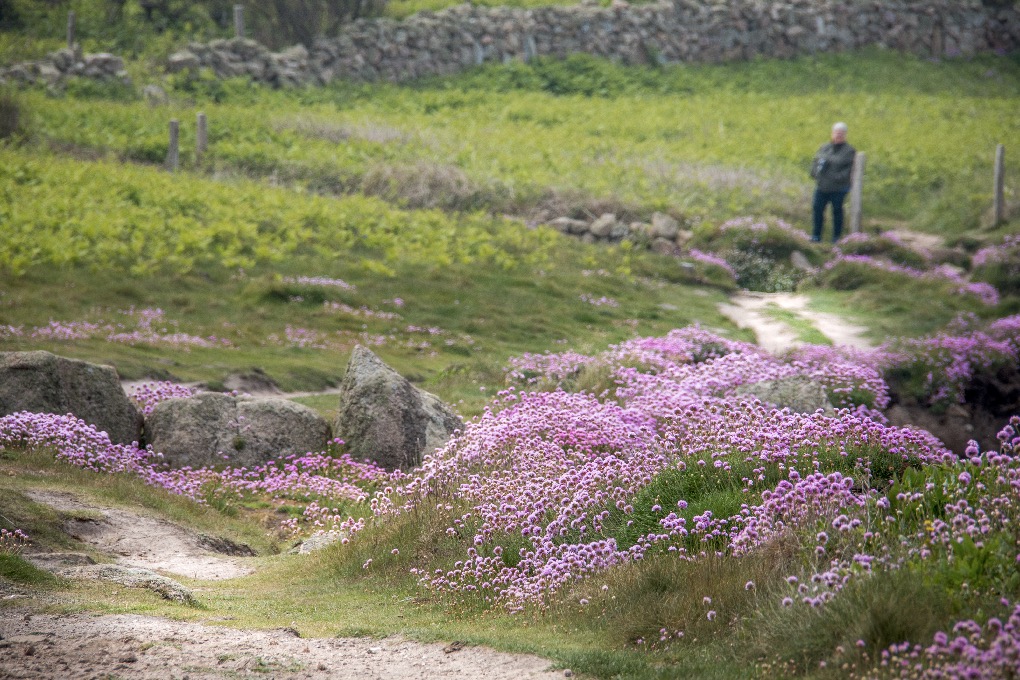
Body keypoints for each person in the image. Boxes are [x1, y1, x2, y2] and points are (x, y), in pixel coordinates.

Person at [810, 122, 856, 243]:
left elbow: (848, 171)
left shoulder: (849, 151)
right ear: (832, 133)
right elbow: (816, 162)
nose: (838, 135)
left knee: (837, 211)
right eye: (836, 133)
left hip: (838, 188)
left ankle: (836, 237)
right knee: (817, 209)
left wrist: (833, 176)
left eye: (841, 133)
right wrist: (816, 173)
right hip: (821, 186)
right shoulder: (824, 147)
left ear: (845, 135)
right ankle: (816, 235)